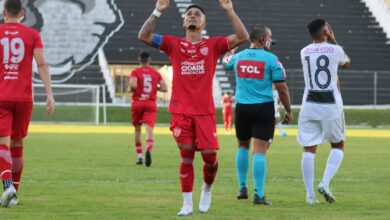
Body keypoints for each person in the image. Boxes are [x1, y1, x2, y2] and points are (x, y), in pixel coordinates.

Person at [138, 0, 249, 216]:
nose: (192, 16)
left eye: (197, 14)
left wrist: (229, 10)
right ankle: (187, 204)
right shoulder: (173, 44)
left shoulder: (213, 45)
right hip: (181, 111)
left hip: (205, 111)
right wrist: (157, 11)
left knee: (209, 157)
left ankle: (207, 188)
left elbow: (243, 36)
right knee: (186, 155)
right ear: (183, 21)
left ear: (204, 23)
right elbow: (143, 36)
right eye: (189, 14)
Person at [223, 24, 292, 205]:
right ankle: (259, 195)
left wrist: (229, 51)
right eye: (269, 38)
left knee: (242, 146)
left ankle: (242, 187)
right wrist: (289, 110)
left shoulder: (238, 57)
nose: (271, 41)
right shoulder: (271, 59)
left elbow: (226, 63)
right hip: (263, 109)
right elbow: (282, 88)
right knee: (260, 151)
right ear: (262, 39)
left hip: (243, 108)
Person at [0, 0, 55, 208]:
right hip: (24, 98)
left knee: (2, 144)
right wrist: (49, 94)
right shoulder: (33, 35)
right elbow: (42, 64)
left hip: (2, 96)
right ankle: (14, 194)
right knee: (17, 145)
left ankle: (7, 187)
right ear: (22, 13)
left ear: (4, 12)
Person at [298, 19, 351, 204]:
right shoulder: (335, 49)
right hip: (331, 103)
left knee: (309, 148)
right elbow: (346, 64)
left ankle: (310, 196)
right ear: (326, 31)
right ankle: (325, 183)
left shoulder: (303, 51)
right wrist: (334, 40)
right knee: (338, 145)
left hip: (309, 103)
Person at [129, 51, 167, 167]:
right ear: (149, 60)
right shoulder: (155, 73)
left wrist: (133, 90)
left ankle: (140, 156)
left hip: (138, 103)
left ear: (139, 60)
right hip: (150, 103)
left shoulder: (135, 72)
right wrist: (156, 88)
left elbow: (133, 85)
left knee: (137, 130)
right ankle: (149, 149)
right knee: (149, 129)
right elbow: (165, 88)